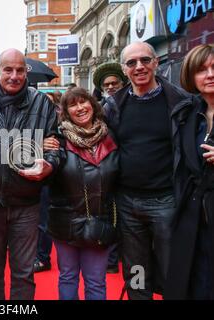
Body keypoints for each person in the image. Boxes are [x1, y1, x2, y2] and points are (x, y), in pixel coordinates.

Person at [104, 41, 191, 299]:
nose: (139, 67)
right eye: (132, 63)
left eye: (145, 60)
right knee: (136, 268)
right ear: (124, 69)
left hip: (166, 199)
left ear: (156, 62)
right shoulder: (113, 106)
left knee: (171, 266)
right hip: (128, 202)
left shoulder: (179, 102)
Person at [0, 48, 60, 300]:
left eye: (20, 70)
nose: (14, 76)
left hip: (27, 203)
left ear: (27, 72)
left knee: (24, 273)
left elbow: (56, 144)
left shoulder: (42, 103)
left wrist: (50, 164)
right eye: (8, 70)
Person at [45, 88, 118, 300]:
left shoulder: (110, 136)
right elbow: (50, 169)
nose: (80, 108)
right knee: (68, 276)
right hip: (65, 221)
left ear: (93, 105)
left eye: (83, 102)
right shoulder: (57, 139)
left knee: (96, 282)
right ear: (66, 111)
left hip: (100, 220)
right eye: (73, 104)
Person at [165, 44, 214, 300]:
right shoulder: (188, 114)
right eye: (202, 70)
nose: (210, 75)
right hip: (192, 214)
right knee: (193, 282)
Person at [92, 62, 127, 274]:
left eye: (115, 83)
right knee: (111, 215)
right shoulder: (102, 109)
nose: (111, 86)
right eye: (107, 84)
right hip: (110, 169)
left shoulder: (130, 103)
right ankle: (112, 260)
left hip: (133, 171)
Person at [34, 90, 62, 274]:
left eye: (50, 103)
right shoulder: (35, 121)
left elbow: (56, 147)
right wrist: (38, 143)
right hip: (31, 176)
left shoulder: (58, 126)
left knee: (44, 221)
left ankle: (43, 257)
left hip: (49, 179)